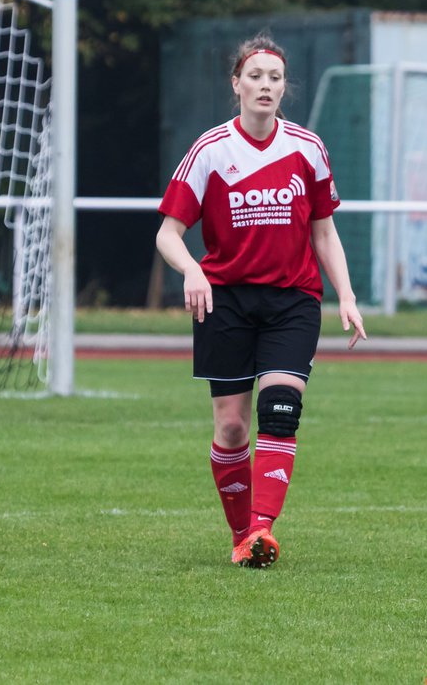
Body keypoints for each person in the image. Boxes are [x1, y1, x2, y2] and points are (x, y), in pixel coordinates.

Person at [156, 35, 367, 569]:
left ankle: (262, 530)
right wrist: (192, 270)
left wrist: (346, 294)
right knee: (231, 428)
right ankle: (239, 534)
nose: (266, 85)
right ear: (237, 84)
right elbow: (168, 233)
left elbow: (324, 232)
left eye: (275, 77)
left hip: (292, 300)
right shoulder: (209, 150)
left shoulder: (307, 148)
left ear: (283, 86)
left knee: (280, 407)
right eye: (256, 76)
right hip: (223, 300)